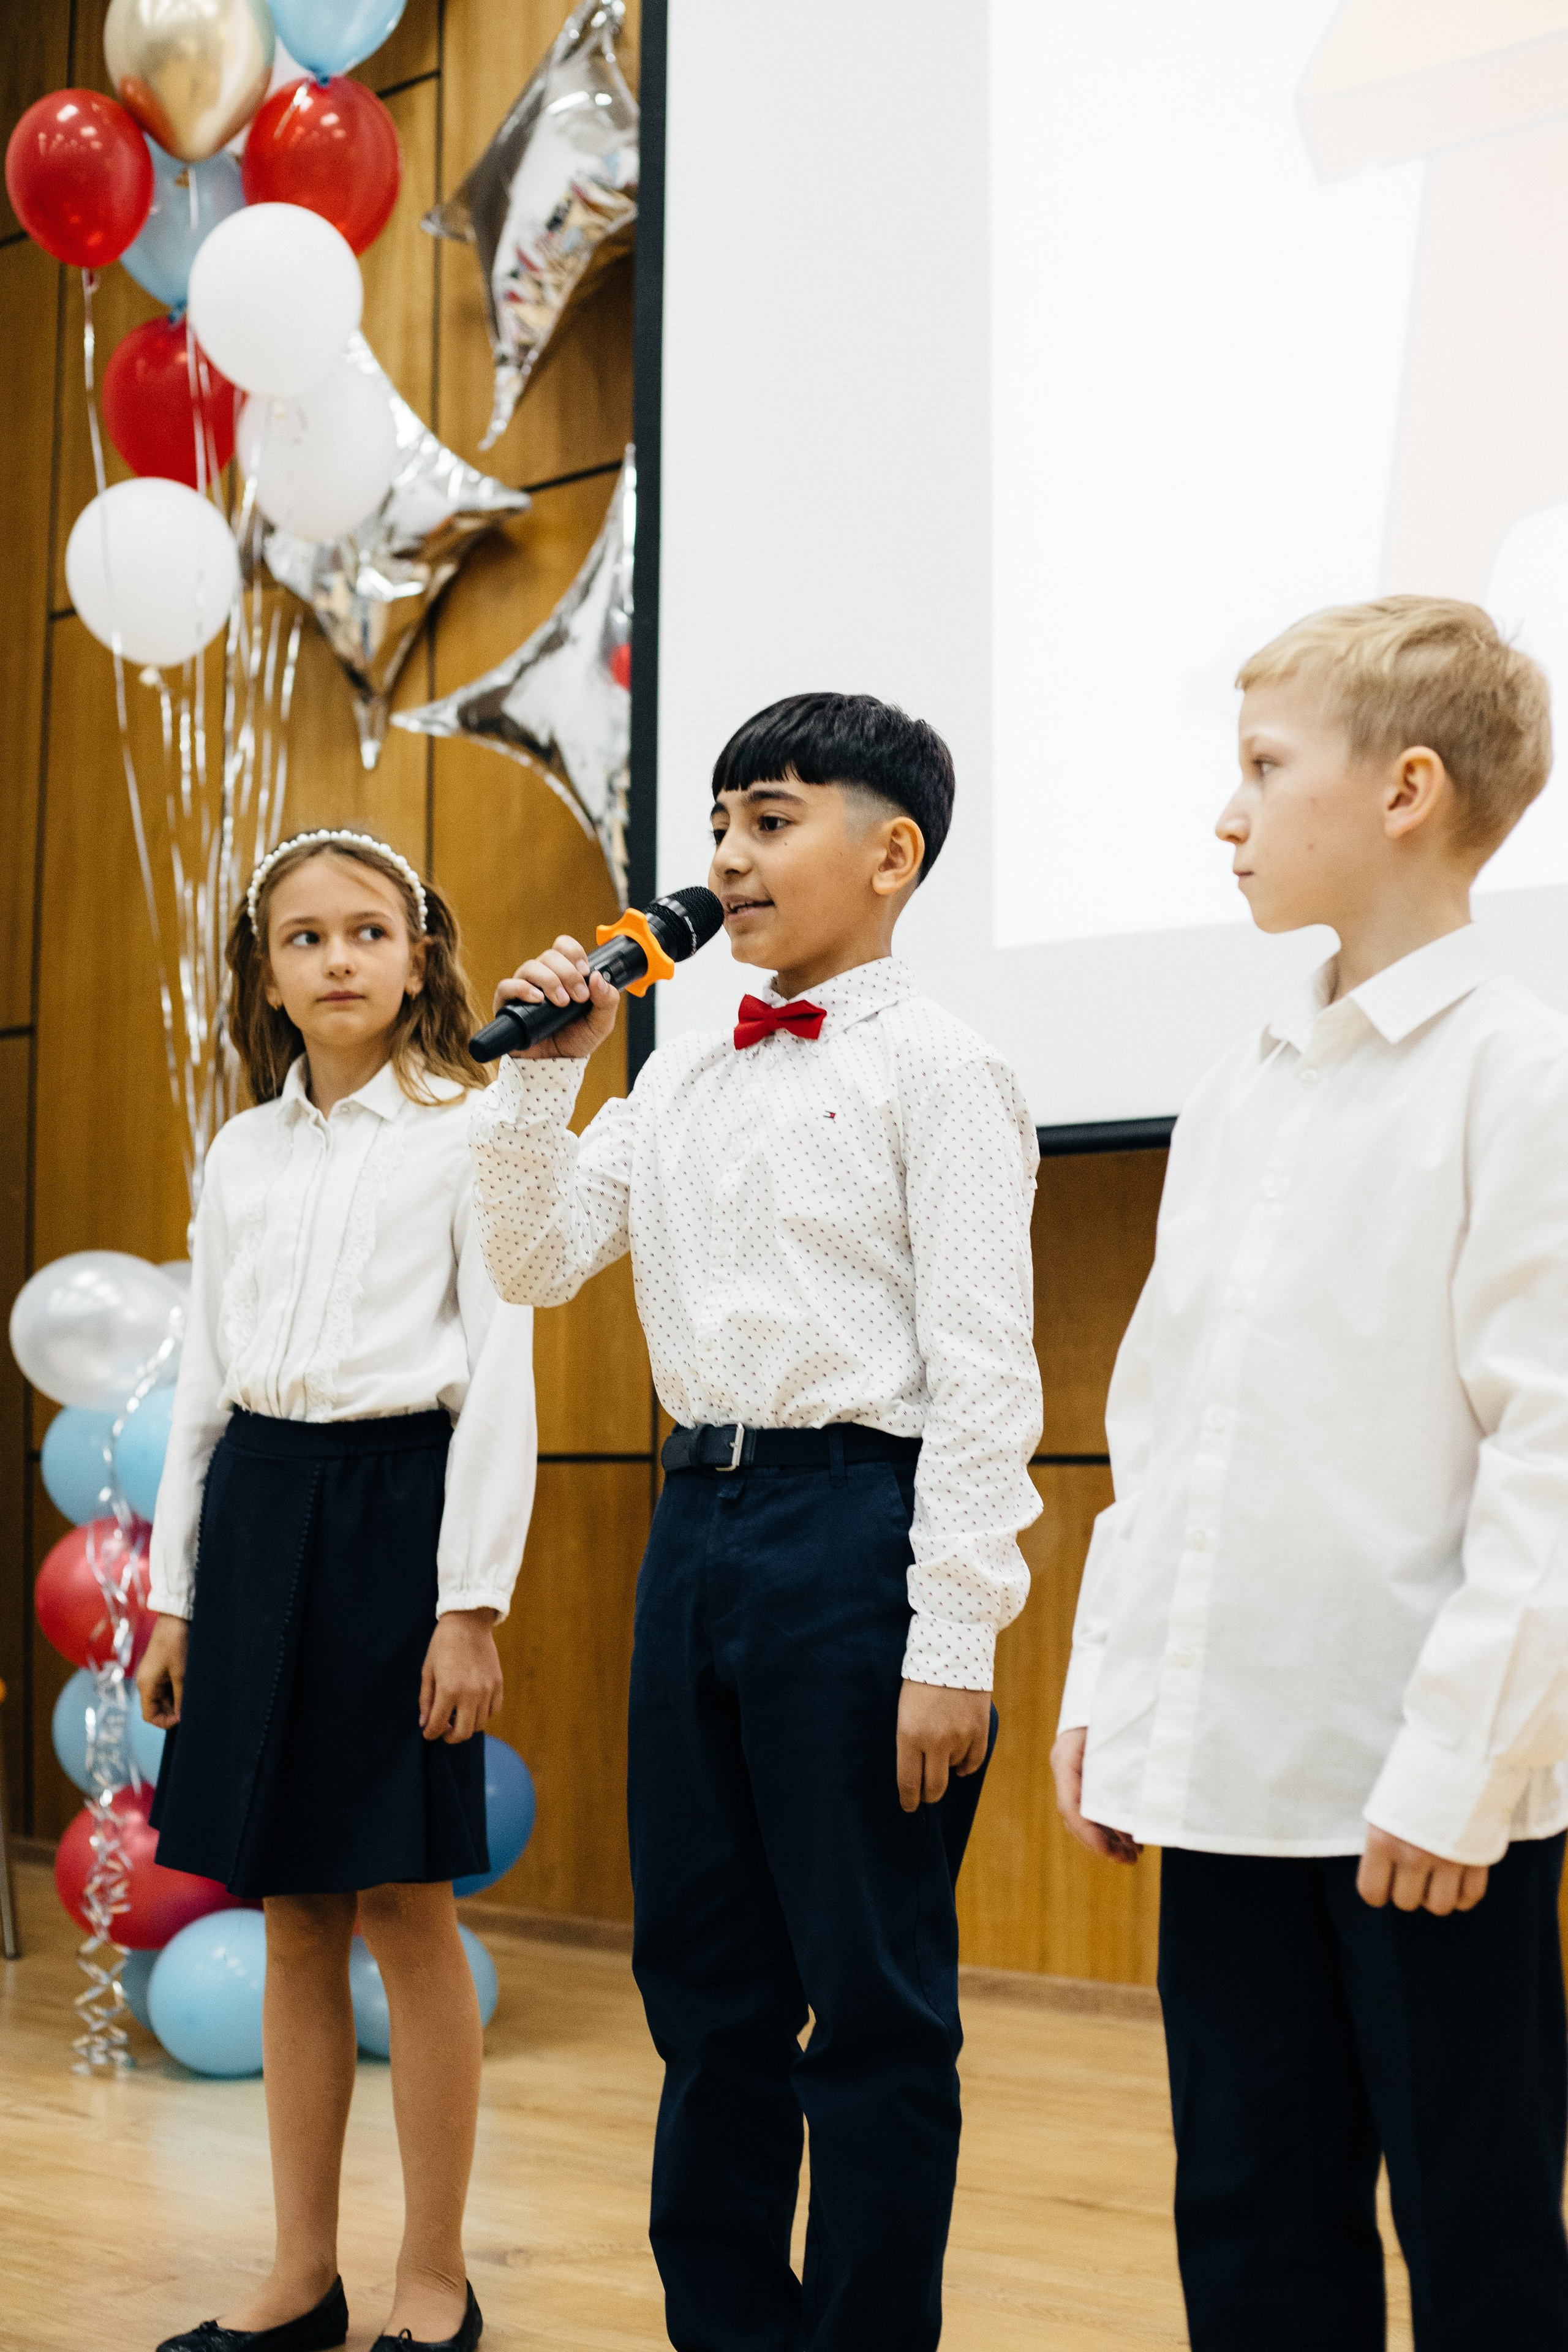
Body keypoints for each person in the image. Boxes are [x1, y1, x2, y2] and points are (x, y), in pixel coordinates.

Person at [469, 692, 1042, 2351]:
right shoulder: (683, 1068)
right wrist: (544, 1085)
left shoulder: (944, 1070)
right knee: (706, 1992)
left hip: (855, 1535)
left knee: (869, 2003)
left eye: (770, 820)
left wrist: (951, 1639)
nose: (725, 857)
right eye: (718, 823)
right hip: (695, 1532)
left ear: (892, 853)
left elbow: (987, 1374)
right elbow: (531, 1261)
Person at [1052, 598, 1568, 2350]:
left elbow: (1549, 1458)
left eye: (1266, 769)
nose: (1229, 814)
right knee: (1252, 2221)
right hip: (1230, 1768)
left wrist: (1460, 1766)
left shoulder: (1519, 1074)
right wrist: (1118, 1685)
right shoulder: (1238, 1086)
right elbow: (1162, 1421)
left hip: (1417, 1793)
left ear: (1406, 790)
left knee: (1480, 2237)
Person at [137, 828, 535, 2352]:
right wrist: (176, 1597)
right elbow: (204, 1391)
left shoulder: (474, 1131)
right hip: (259, 1514)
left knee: (405, 1907)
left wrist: (470, 1604)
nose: (338, 959)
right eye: (302, 938)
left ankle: (434, 2276)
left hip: (397, 1516)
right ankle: (301, 2275)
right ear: (266, 975)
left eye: (367, 930)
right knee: (295, 1912)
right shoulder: (240, 1152)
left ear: (420, 954)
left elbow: (500, 1381)